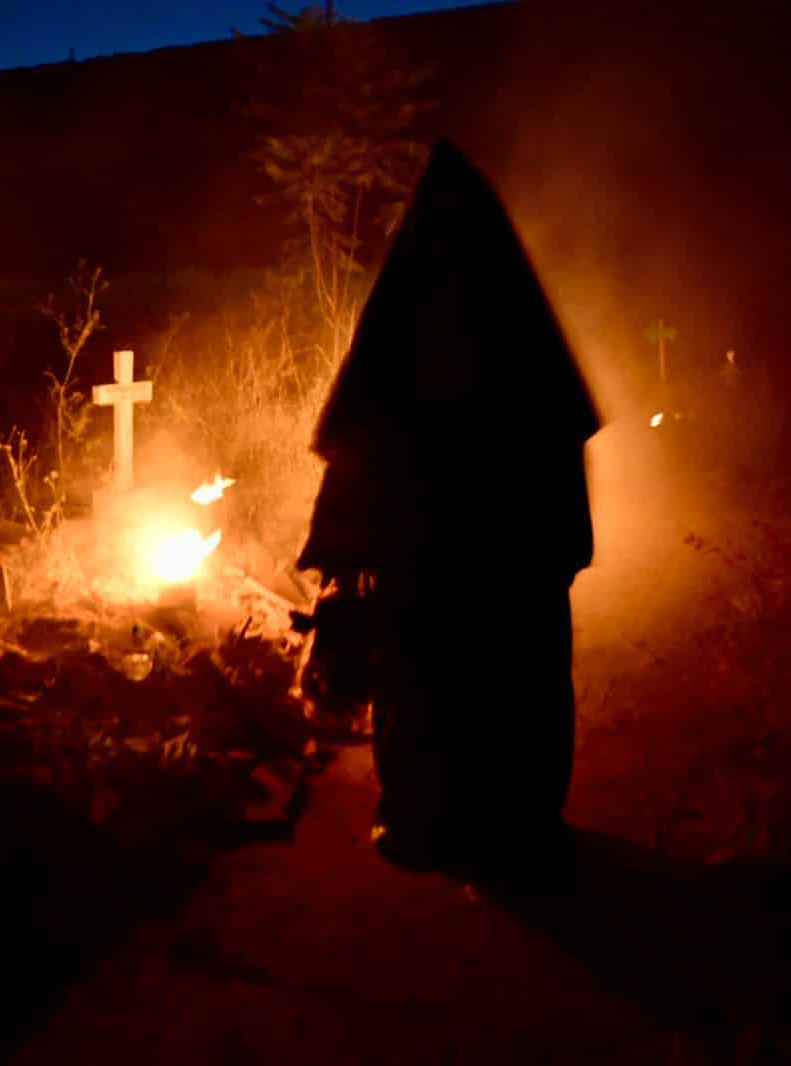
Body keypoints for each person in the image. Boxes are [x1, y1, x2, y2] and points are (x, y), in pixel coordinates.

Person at [295, 140, 600, 875]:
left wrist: (347, 547)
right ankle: (516, 825)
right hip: (503, 558)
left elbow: (360, 439)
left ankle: (432, 823)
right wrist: (560, 545)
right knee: (513, 682)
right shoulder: (519, 322)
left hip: (431, 558)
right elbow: (558, 440)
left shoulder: (405, 316)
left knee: (436, 683)